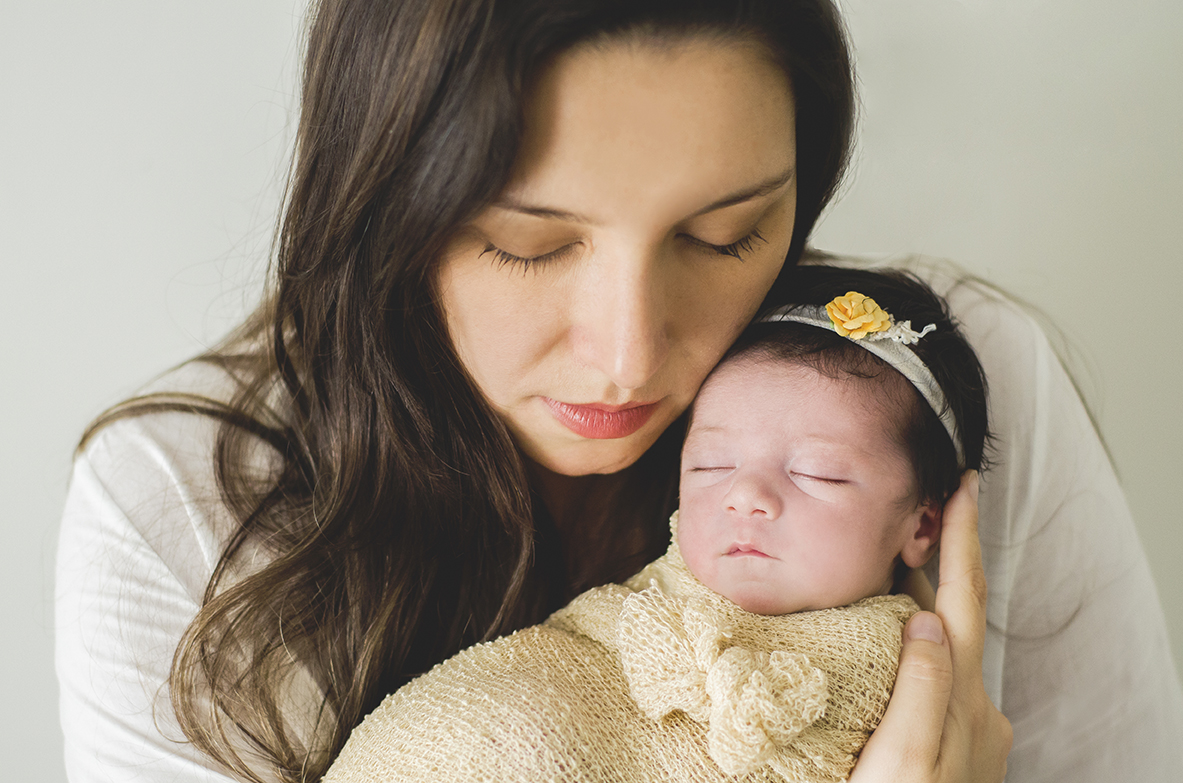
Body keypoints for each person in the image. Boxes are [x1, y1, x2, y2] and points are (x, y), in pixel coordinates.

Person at [53, 1, 1181, 782]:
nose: (630, 357)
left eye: (725, 234)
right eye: (527, 244)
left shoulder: (931, 388)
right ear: (384, 203)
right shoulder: (184, 512)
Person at [321, 266, 990, 783]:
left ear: (922, 525)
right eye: (710, 465)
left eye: (818, 473)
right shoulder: (625, 615)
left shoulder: (911, 673)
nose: (745, 495)